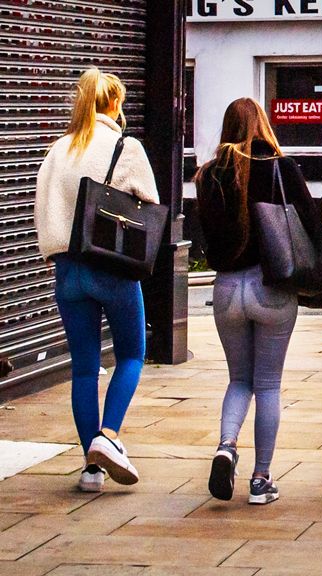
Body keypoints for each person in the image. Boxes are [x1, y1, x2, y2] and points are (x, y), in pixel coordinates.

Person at [34, 68, 160, 492]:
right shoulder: (125, 146)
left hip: (67, 271)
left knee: (85, 368)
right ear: (114, 104)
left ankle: (90, 471)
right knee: (131, 355)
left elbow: (43, 208)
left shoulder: (58, 149)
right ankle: (108, 437)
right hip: (111, 267)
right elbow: (150, 203)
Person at [194, 98, 322, 505]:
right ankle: (261, 479)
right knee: (268, 385)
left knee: (239, 380)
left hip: (228, 288)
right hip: (272, 289)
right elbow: (312, 224)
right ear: (263, 125)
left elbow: (206, 239)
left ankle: (226, 446)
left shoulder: (208, 174)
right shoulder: (281, 168)